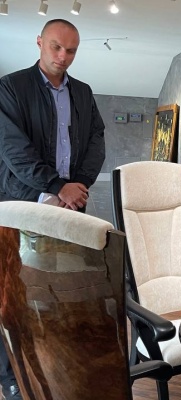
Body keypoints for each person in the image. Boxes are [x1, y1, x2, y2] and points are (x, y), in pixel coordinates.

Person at [0, 19, 105, 399]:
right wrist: (56, 186)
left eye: (71, 50)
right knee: (10, 291)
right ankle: (11, 376)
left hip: (69, 206)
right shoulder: (11, 87)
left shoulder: (83, 92)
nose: (63, 56)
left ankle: (58, 361)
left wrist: (78, 188)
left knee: (59, 285)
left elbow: (96, 141)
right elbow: (13, 149)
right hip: (21, 203)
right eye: (56, 47)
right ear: (40, 42)